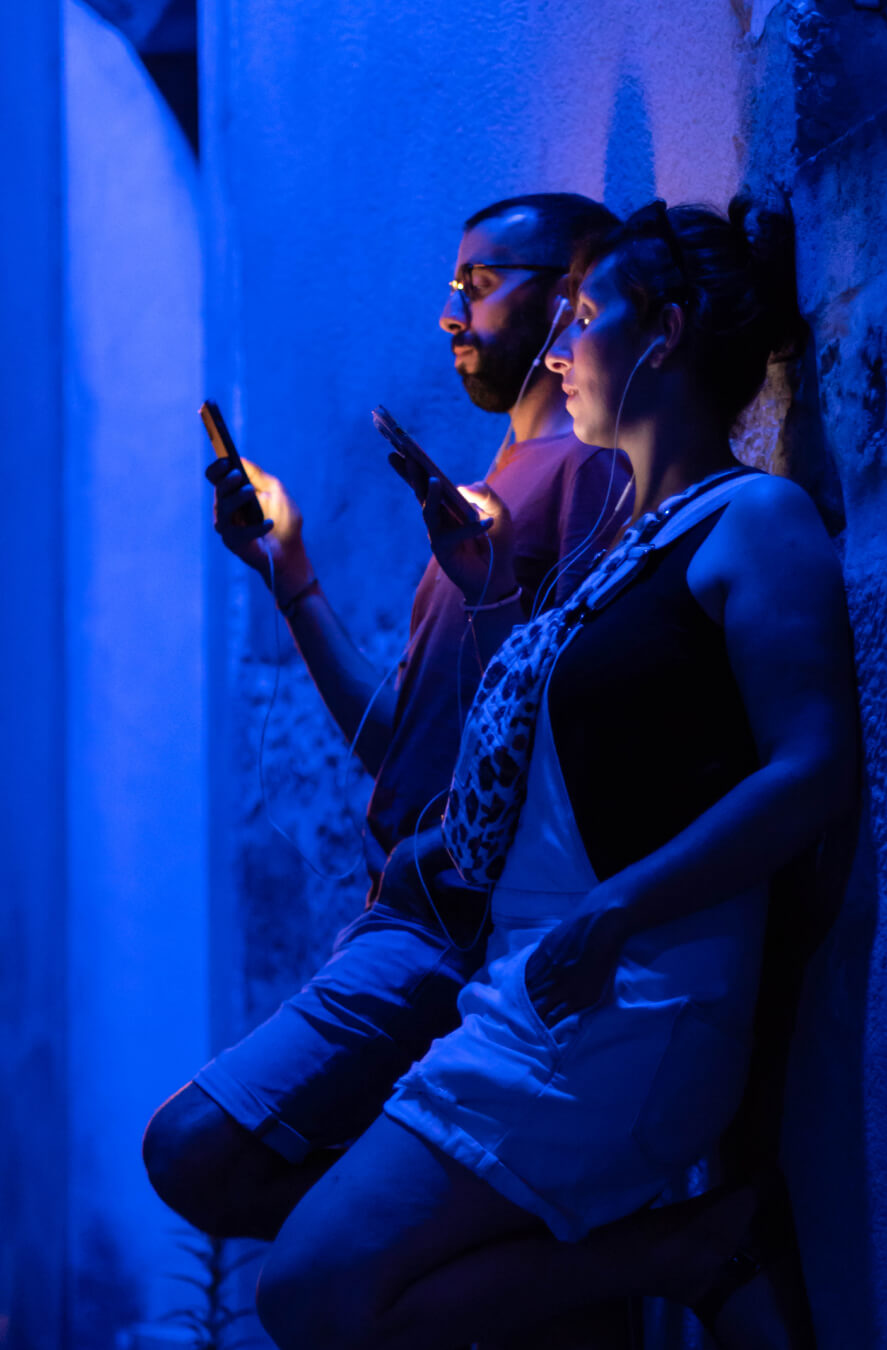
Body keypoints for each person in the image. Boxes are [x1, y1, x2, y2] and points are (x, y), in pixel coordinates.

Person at [252, 193, 858, 1350]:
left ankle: (688, 1249)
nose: (564, 347)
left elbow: (813, 765)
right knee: (324, 1293)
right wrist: (486, 588)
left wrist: (622, 906)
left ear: (666, 333)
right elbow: (531, 755)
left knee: (311, 1291)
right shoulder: (617, 545)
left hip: (634, 993)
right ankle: (688, 1251)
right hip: (533, 991)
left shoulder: (755, 521)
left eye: (586, 313)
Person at [141, 194, 631, 1251]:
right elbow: (401, 743)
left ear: (566, 298)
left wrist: (496, 587)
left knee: (192, 1150)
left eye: (481, 284)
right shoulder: (491, 491)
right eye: (454, 287)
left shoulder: (590, 479)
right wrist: (292, 578)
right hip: (401, 912)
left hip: (453, 928)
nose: (452, 313)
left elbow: (560, 727)